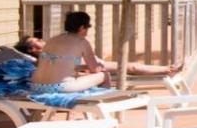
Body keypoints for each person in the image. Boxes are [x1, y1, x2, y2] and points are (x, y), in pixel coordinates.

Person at [17, 24, 181, 84]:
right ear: (32, 50)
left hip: (94, 64)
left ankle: (168, 69)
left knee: (132, 66)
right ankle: (168, 69)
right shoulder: (46, 59)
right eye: (37, 40)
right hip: (94, 68)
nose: (41, 39)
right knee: (132, 67)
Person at [25, 13, 109, 93]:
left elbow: (58, 64)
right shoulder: (82, 42)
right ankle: (105, 100)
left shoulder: (52, 40)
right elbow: (95, 69)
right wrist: (100, 66)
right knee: (105, 75)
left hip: (36, 86)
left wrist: (84, 67)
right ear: (82, 27)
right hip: (60, 87)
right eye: (88, 27)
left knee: (78, 77)